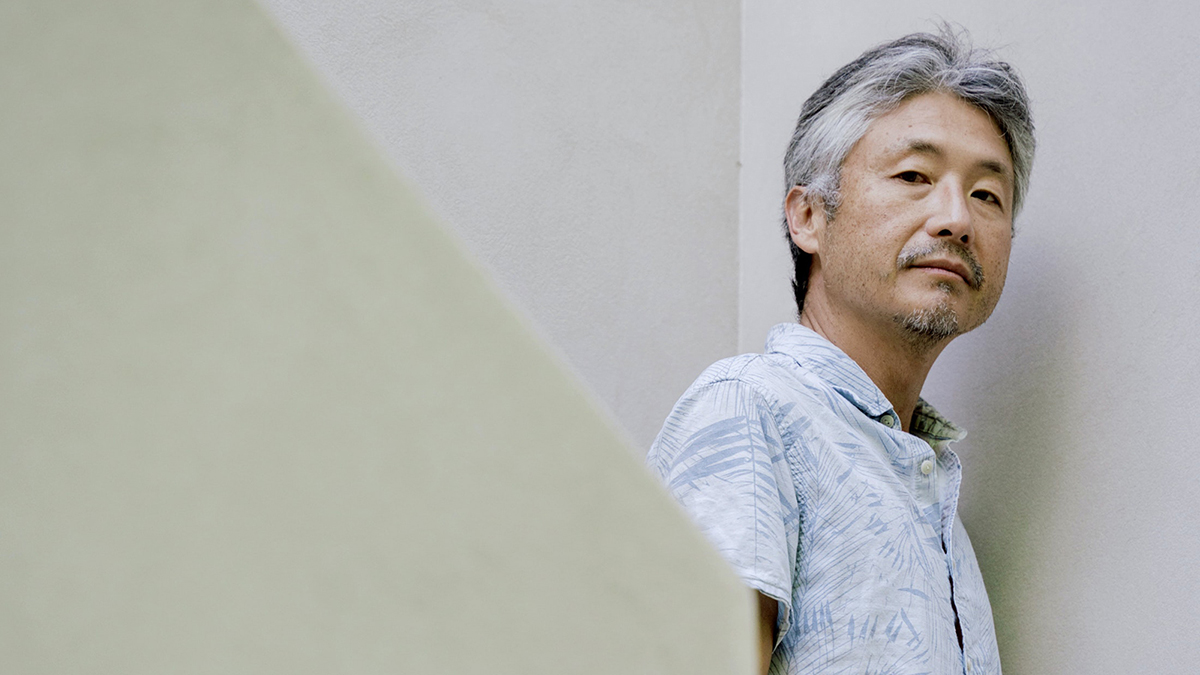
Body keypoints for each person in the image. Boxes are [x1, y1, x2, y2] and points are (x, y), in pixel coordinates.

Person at [646, 28, 1035, 675]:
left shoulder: (937, 504)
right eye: (915, 174)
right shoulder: (751, 411)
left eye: (987, 194)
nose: (956, 218)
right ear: (807, 217)